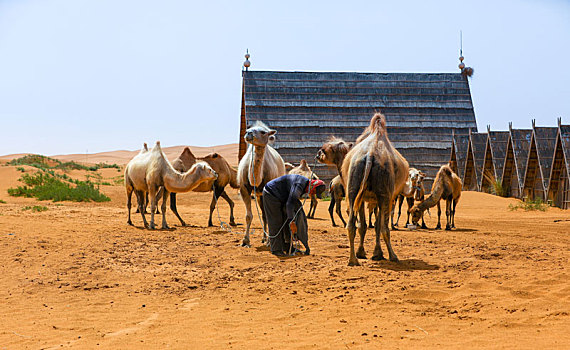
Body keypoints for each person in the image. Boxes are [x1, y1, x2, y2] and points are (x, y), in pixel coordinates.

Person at [262, 174, 326, 256]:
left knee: (286, 219)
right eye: (313, 191)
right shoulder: (299, 186)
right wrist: (292, 221)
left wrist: (291, 220)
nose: (312, 194)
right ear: (312, 186)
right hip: (271, 194)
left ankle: (287, 246)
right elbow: (290, 204)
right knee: (276, 221)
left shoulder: (304, 186)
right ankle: (276, 249)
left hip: (282, 196)